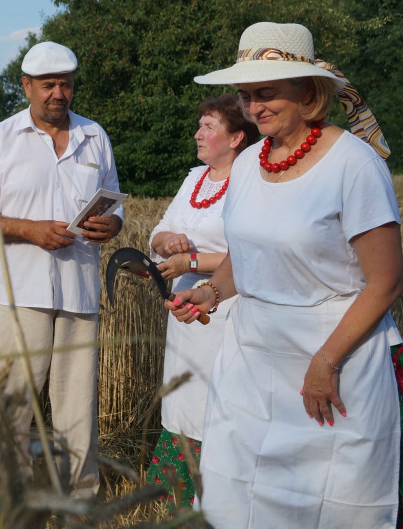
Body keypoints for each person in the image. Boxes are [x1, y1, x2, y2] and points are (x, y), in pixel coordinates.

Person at [167, 22, 403, 527]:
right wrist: (211, 292)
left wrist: (325, 362)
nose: (254, 107)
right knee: (235, 498)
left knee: (336, 501)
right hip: (250, 365)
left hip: (334, 368)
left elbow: (386, 281)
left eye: (267, 92)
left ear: (308, 91)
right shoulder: (250, 161)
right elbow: (246, 256)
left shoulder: (355, 165)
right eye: (247, 94)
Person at [0, 41, 123, 498]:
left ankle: (80, 499)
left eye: (66, 84)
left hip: (79, 289)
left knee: (77, 406)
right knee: (14, 403)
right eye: (49, 84)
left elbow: (114, 200)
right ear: (27, 87)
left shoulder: (95, 135)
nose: (59, 93)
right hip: (20, 292)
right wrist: (27, 230)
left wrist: (111, 223)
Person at [144, 94, 259, 506]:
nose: (198, 133)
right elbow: (157, 232)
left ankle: (218, 494)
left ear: (236, 138)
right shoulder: (194, 179)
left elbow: (248, 249)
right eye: (200, 124)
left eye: (209, 126)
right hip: (184, 310)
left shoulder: (251, 181)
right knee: (183, 394)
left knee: (217, 394)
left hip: (225, 308)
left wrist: (189, 258)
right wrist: (166, 242)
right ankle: (177, 490)